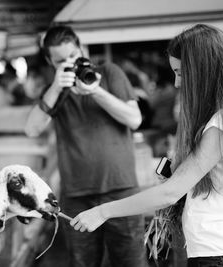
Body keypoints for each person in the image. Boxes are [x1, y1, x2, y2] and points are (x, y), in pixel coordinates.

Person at [70, 24, 223, 267]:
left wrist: (102, 212)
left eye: (182, 73)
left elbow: (170, 192)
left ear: (206, 71)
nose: (176, 83)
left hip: (219, 252)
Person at [25, 25, 147, 267]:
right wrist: (57, 87)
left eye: (72, 55)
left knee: (131, 262)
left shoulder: (109, 73)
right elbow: (31, 129)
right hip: (77, 195)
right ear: (50, 61)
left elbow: (134, 119)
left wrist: (95, 92)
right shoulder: (55, 90)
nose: (69, 62)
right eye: (60, 60)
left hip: (121, 190)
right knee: (83, 264)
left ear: (80, 49)